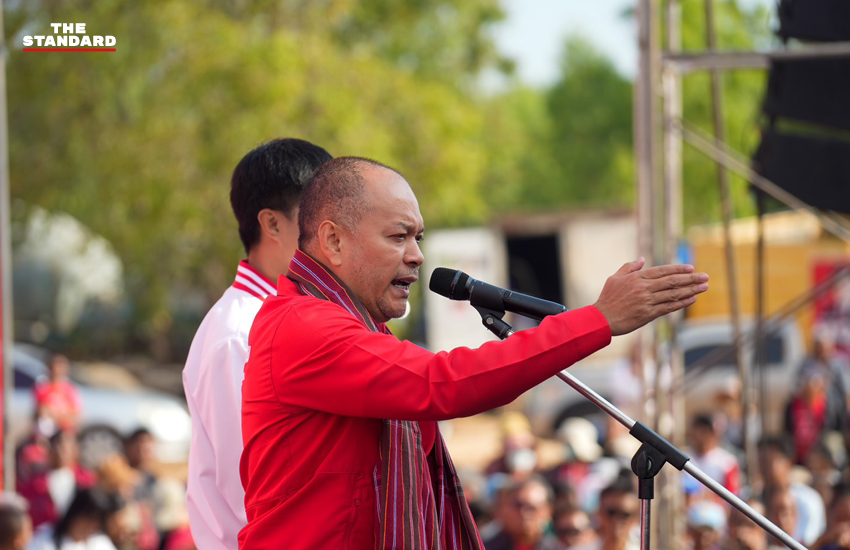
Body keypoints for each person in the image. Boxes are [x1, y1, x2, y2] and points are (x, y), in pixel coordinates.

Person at [239, 156, 709, 549]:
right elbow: (440, 384)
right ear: (334, 241)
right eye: (398, 236)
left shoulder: (362, 330)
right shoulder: (301, 325)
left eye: (418, 238)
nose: (417, 256)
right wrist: (597, 320)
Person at [182, 138, 331, 550]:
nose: (336, 233)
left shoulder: (299, 314)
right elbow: (253, 487)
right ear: (273, 224)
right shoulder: (237, 335)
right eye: (320, 216)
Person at [18, 430, 96, 529]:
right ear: (49, 450)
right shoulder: (35, 483)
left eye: (66, 447)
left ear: (75, 451)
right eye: (57, 445)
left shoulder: (86, 481)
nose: (61, 451)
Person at [758, 436, 826, 545]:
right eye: (761, 461)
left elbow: (809, 543)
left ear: (788, 462)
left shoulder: (809, 500)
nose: (764, 467)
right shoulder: (750, 498)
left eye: (769, 461)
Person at [27, 488, 122, 550]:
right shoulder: (44, 539)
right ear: (75, 513)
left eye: (96, 522)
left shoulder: (100, 543)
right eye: (88, 518)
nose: (90, 526)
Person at [483, 476, 559, 550]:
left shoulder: (558, 547)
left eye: (531, 508)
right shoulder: (484, 546)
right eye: (518, 505)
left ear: (548, 511)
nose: (524, 513)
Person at [33, 354, 81, 436]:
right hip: (47, 429)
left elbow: (76, 415)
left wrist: (58, 416)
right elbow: (40, 411)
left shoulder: (70, 388)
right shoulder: (42, 387)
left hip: (65, 429)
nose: (58, 370)